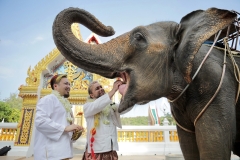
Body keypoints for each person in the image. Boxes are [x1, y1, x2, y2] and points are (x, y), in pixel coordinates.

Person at [34, 74, 83, 160]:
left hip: (64, 152)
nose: (69, 86)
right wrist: (65, 128)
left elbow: (67, 129)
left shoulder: (66, 105)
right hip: (50, 154)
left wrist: (75, 133)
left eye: (69, 84)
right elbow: (40, 121)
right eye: (66, 84)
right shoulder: (48, 99)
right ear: (55, 86)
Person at [82, 80, 123, 160]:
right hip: (96, 152)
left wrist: (125, 92)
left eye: (101, 87)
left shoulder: (111, 105)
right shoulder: (88, 107)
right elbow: (98, 105)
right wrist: (113, 90)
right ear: (92, 95)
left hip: (111, 149)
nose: (100, 89)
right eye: (97, 88)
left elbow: (123, 108)